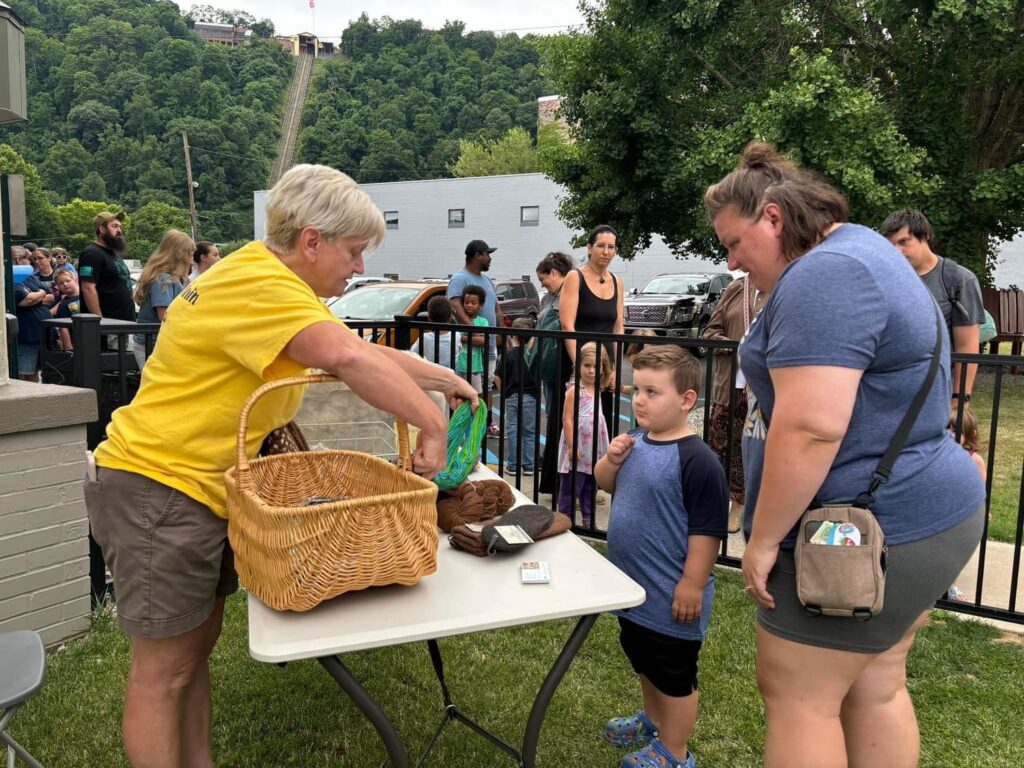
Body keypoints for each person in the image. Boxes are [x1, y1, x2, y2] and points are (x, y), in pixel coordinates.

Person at [84, 163, 478, 768]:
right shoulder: (261, 285)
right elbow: (346, 358)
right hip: (159, 488)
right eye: (353, 250)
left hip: (192, 489)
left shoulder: (265, 279)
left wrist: (445, 379)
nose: (360, 267)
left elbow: (359, 349)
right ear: (312, 240)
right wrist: (429, 421)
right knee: (163, 673)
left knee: (191, 659)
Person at [704, 142, 985, 768]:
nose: (733, 262)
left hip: (861, 526)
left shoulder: (828, 275)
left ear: (773, 218)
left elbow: (810, 430)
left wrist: (762, 539)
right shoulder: (862, 250)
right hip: (916, 512)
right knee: (873, 684)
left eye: (734, 243)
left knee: (799, 696)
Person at [596, 345, 728, 768]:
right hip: (633, 591)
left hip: (672, 597)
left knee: (675, 678)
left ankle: (674, 752)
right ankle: (652, 722)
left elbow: (707, 532)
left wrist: (691, 583)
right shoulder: (633, 441)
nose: (639, 400)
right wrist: (611, 460)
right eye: (637, 390)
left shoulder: (698, 461)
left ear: (687, 400)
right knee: (644, 662)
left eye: (653, 392)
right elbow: (605, 484)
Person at [880, 209, 985, 408]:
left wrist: (959, 400)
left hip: (937, 396)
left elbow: (967, 346)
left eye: (904, 242)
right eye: (891, 245)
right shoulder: (885, 279)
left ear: (925, 236)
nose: (897, 251)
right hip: (889, 395)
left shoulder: (958, 279)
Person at [701, 276, 768, 532]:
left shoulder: (780, 286)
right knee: (718, 445)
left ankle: (739, 506)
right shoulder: (736, 288)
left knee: (748, 449)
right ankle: (716, 500)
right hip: (728, 384)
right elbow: (711, 330)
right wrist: (731, 346)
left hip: (760, 389)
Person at [558, 225, 625, 431]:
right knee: (574, 423)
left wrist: (615, 368)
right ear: (589, 248)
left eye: (611, 247)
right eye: (600, 245)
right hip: (578, 361)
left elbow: (618, 327)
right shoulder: (574, 277)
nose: (606, 251)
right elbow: (567, 325)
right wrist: (580, 365)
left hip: (604, 365)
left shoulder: (617, 282)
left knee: (601, 423)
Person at [448, 239, 505, 436]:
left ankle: (487, 422)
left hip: (489, 345)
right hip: (472, 347)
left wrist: (499, 332)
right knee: (468, 387)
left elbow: (496, 308)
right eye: (487, 254)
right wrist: (474, 332)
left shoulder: (487, 280)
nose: (490, 259)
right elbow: (456, 307)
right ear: (477, 255)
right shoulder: (459, 278)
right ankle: (467, 423)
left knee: (487, 384)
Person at [535, 251, 576, 496]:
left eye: (543, 279)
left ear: (554, 273)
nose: (543, 285)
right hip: (550, 365)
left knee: (564, 417)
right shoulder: (549, 297)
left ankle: (565, 476)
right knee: (554, 416)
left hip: (561, 363)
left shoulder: (566, 295)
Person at [557, 341, 611, 527]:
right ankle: (564, 520)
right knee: (571, 487)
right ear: (578, 365)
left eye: (596, 366)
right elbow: (568, 420)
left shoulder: (597, 388)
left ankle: (589, 521)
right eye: (587, 366)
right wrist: (572, 446)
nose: (591, 371)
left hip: (593, 449)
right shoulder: (575, 390)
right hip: (578, 446)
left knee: (590, 486)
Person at [133, 230, 195, 368]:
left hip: (152, 343)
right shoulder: (163, 279)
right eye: (189, 250)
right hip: (151, 345)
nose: (193, 254)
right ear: (179, 253)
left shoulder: (167, 277)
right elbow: (164, 316)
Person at [495, 317, 539, 475]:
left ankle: (513, 465)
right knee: (529, 431)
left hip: (511, 395)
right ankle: (529, 465)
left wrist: (504, 392)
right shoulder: (533, 355)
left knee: (512, 430)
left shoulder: (508, 355)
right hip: (530, 396)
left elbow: (497, 376)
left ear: (514, 336)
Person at [79, 210, 136, 321]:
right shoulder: (92, 253)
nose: (119, 230)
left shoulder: (113, 253)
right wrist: (99, 321)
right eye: (114, 226)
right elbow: (87, 288)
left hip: (124, 321)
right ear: (102, 229)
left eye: (120, 227)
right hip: (108, 324)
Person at [13, 267, 55, 381]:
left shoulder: (29, 277)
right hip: (26, 337)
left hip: (42, 335)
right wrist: (41, 293)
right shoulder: (11, 279)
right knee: (24, 374)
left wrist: (36, 298)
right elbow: (27, 300)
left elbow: (51, 297)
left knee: (36, 372)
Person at [455, 285, 489, 393]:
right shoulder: (457, 320)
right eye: (466, 302)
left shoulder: (482, 322)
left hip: (474, 368)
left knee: (476, 395)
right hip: (458, 366)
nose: (469, 305)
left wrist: (462, 338)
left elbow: (482, 341)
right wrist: (475, 337)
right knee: (459, 396)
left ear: (481, 305)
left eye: (473, 303)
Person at [413, 294, 462, 369]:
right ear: (450, 317)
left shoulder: (424, 338)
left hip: (431, 373)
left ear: (429, 317)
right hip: (451, 374)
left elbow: (412, 353)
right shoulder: (456, 335)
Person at [52, 267, 82, 351]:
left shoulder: (87, 296)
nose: (65, 284)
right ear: (57, 287)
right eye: (61, 283)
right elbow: (63, 328)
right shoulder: (63, 304)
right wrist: (68, 348)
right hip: (77, 341)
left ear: (75, 280)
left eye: (68, 281)